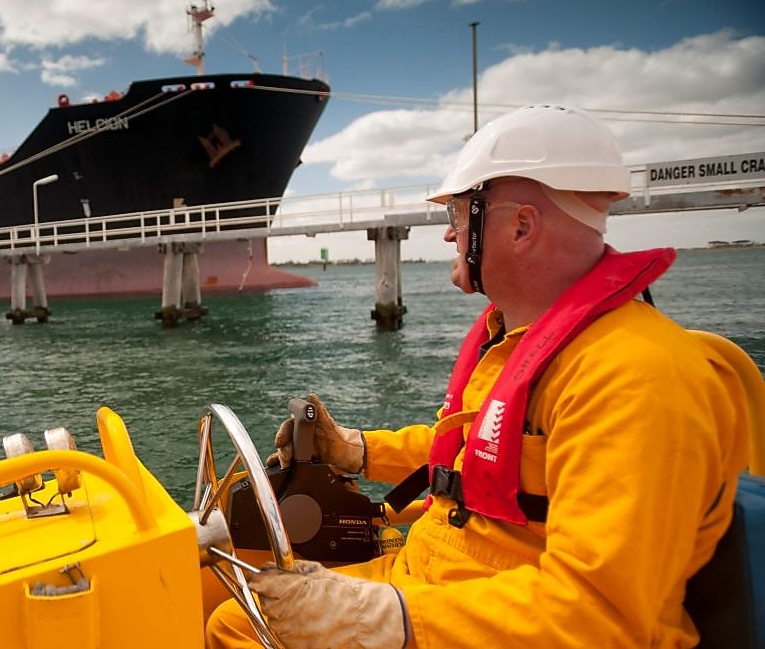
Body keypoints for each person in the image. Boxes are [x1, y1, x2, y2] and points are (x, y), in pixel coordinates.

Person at [205, 104, 750, 648]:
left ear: (520, 225)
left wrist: (384, 620)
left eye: (460, 215)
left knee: (246, 627)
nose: (447, 235)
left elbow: (604, 615)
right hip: (441, 574)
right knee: (235, 622)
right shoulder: (519, 342)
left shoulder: (636, 376)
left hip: (499, 612)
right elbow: (473, 452)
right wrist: (357, 449)